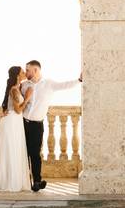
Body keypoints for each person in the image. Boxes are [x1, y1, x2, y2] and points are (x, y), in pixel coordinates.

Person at [20, 60, 82, 192]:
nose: (26, 73)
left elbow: (64, 85)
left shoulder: (49, 84)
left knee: (35, 154)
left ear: (36, 70)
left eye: (28, 70)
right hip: (22, 124)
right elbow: (15, 100)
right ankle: (24, 181)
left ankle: (37, 181)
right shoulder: (23, 85)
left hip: (37, 126)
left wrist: (79, 80)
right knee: (23, 153)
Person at [0, 65, 31, 192]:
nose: (24, 73)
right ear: (17, 75)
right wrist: (27, 98)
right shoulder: (14, 90)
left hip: (12, 122)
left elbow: (10, 106)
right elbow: (17, 110)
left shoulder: (16, 88)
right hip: (12, 121)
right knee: (11, 150)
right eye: (22, 72)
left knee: (12, 150)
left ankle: (9, 180)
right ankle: (9, 182)